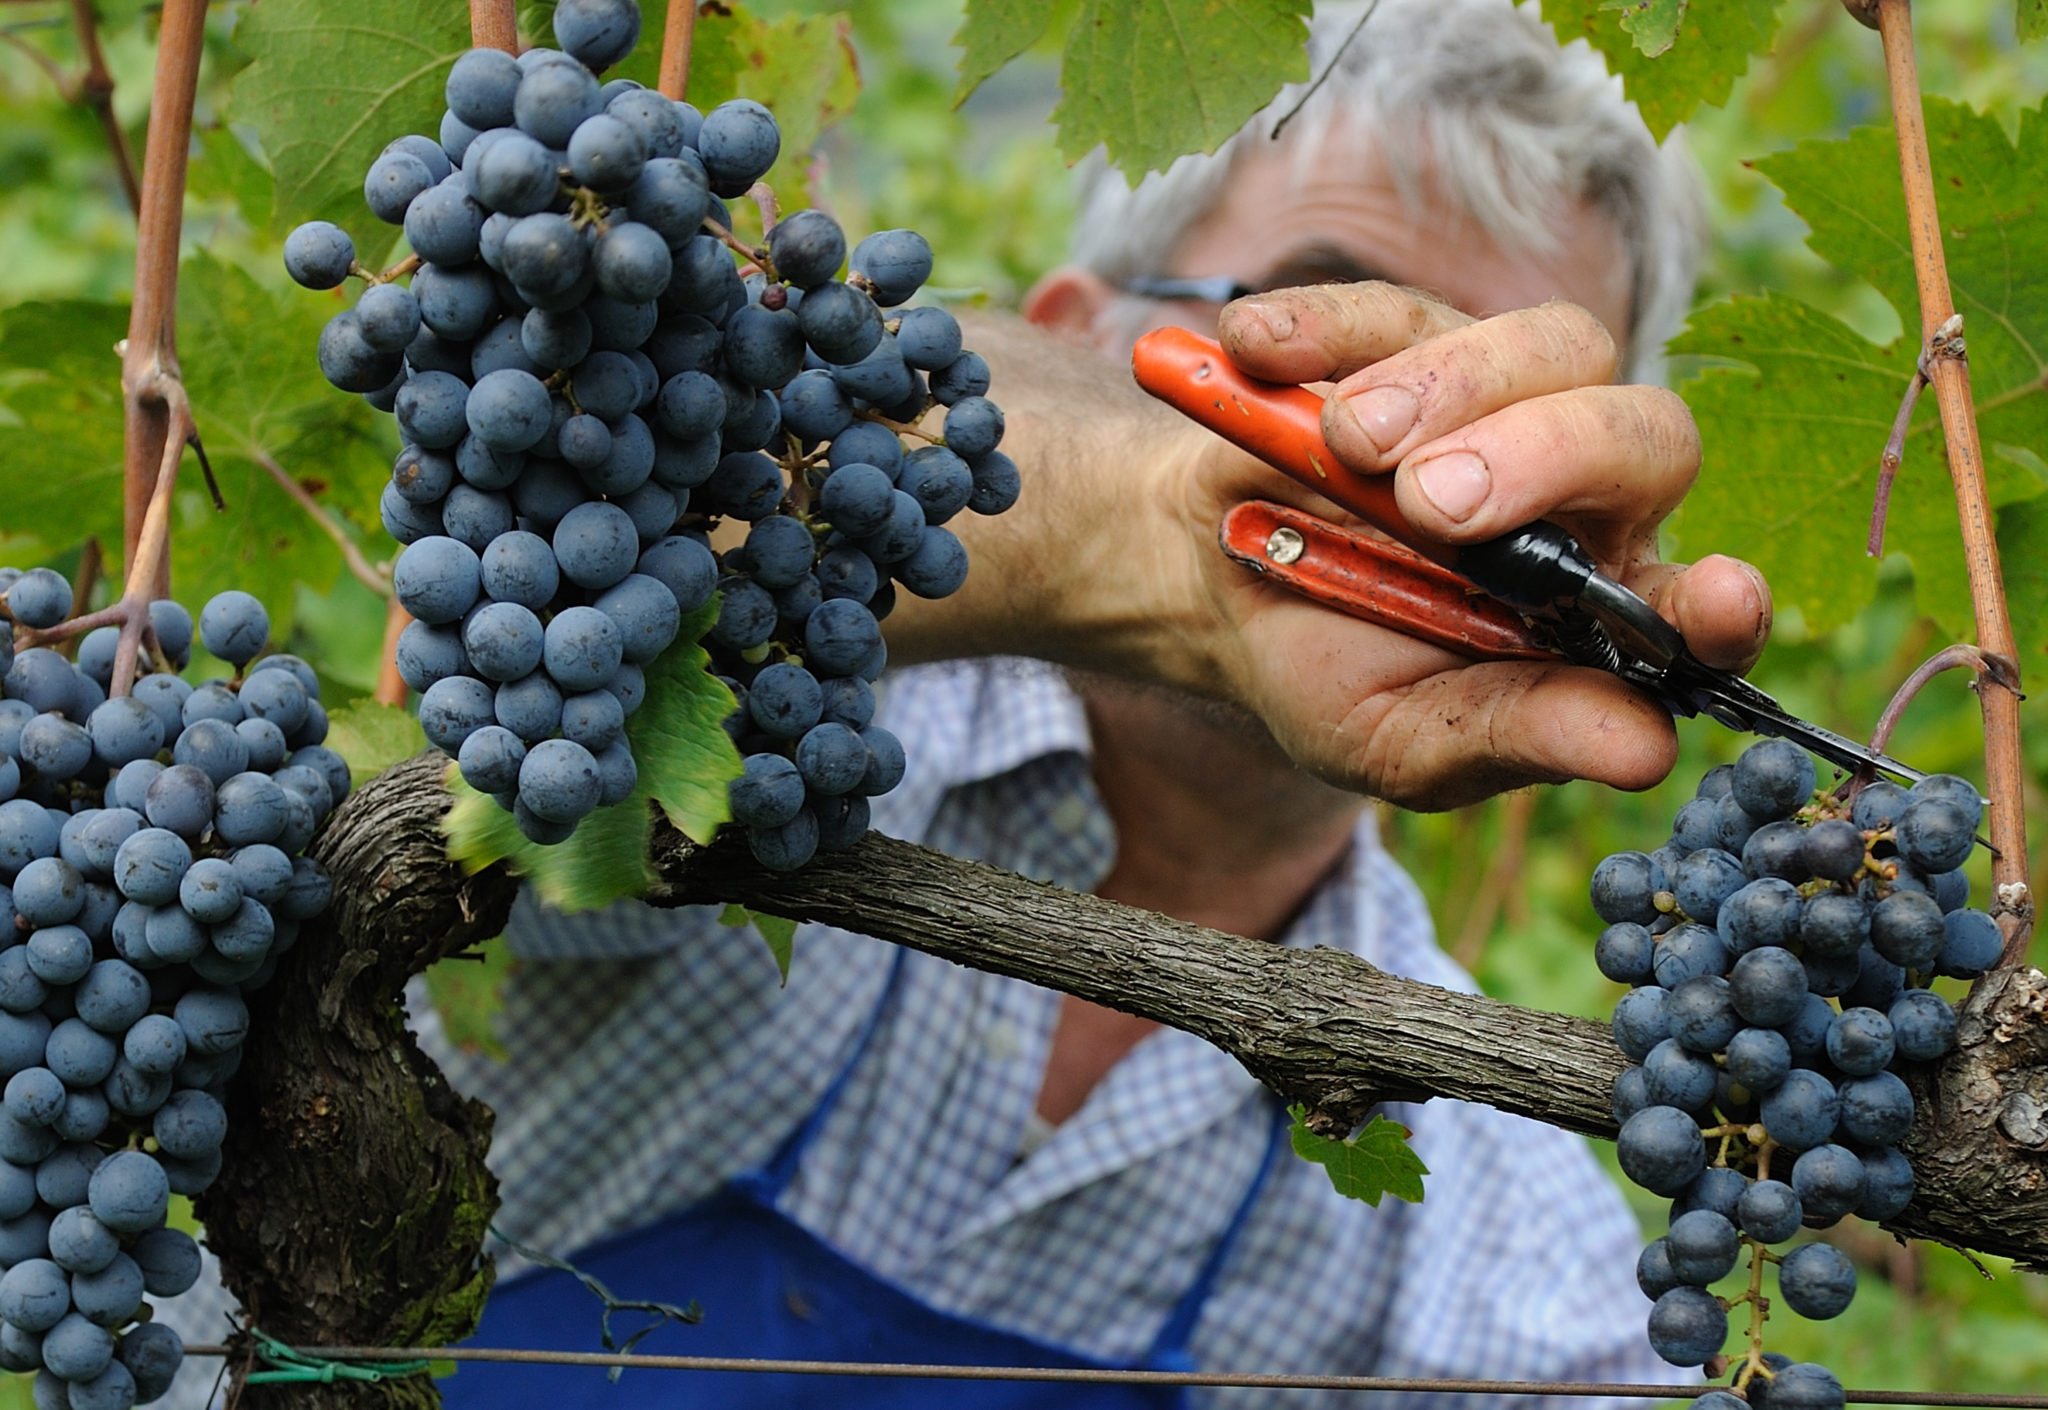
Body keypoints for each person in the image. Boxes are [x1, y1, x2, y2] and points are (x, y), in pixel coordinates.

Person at [160, 2, 1773, 1405]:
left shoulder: (1499, 1254)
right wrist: (1162, 526)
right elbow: (607, 541)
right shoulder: (734, 781)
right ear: (1078, 338)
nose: (1427, 479)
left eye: (1521, 423)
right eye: (1328, 332)